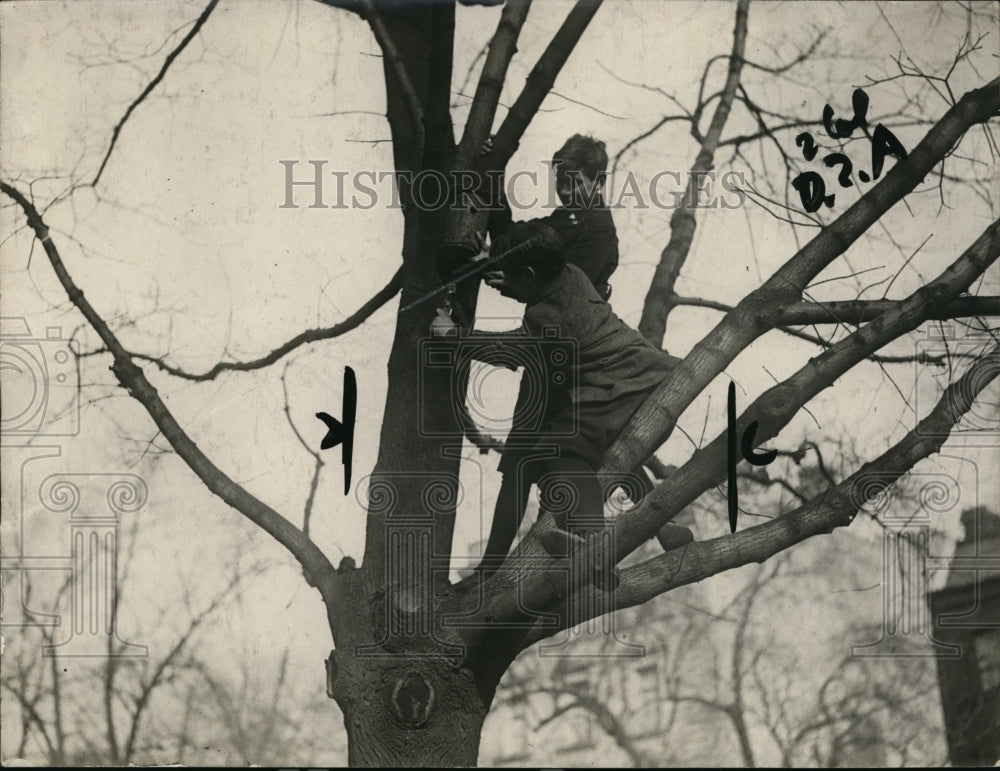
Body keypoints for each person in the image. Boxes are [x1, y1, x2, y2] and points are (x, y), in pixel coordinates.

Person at [432, 222, 691, 585]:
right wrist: (514, 286)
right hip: (645, 373)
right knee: (608, 452)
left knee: (565, 450)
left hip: (616, 384)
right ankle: (663, 525)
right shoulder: (573, 274)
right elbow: (540, 293)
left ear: (532, 274)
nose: (508, 284)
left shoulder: (545, 316)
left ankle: (593, 546)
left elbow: (510, 352)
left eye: (513, 277)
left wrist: (452, 335)